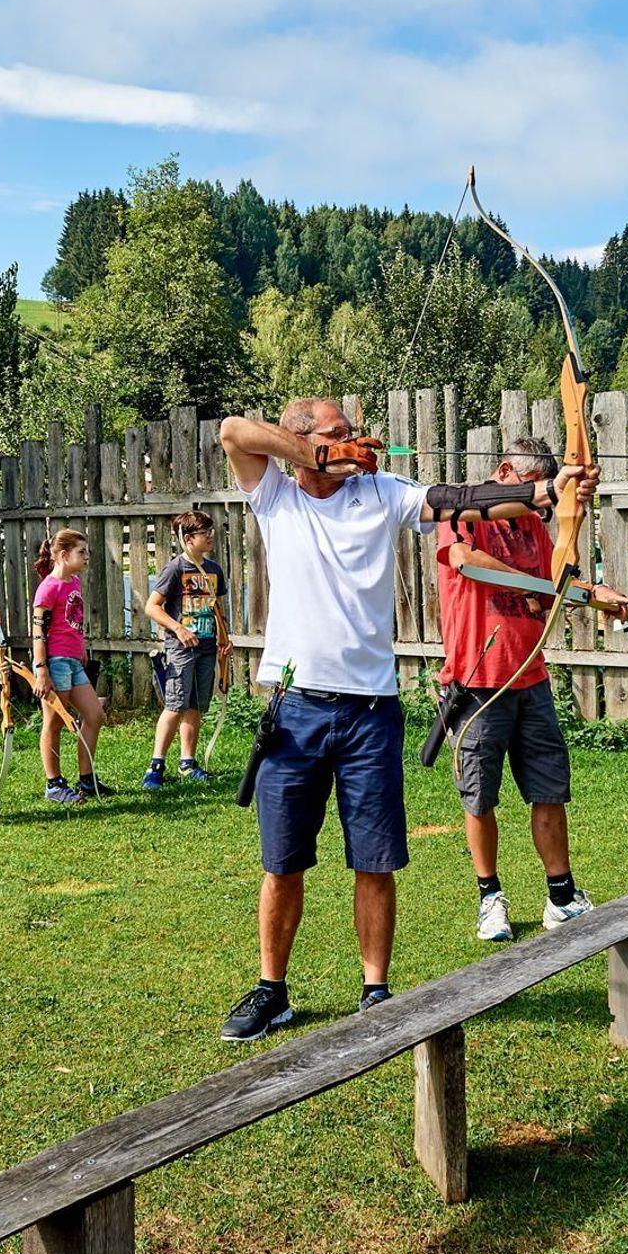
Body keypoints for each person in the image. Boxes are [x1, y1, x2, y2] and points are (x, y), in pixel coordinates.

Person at [216, 399, 592, 1041]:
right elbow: (233, 432)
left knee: (375, 858)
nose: (357, 441)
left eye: (353, 432)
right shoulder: (277, 494)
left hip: (370, 711)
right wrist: (320, 454)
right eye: (340, 433)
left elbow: (463, 502)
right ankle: (272, 990)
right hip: (295, 707)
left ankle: (376, 991)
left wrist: (545, 492)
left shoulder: (381, 491)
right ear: (303, 441)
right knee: (282, 861)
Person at [434, 438, 628, 943]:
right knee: (480, 797)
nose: (540, 498)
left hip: (531, 678)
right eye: (533, 486)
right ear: (504, 472)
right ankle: (490, 898)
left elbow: (557, 577)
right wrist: (535, 586)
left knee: (549, 790)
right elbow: (466, 560)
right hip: (478, 682)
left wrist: (595, 592)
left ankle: (561, 897)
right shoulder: (461, 510)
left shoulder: (532, 526)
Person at [143, 510, 233, 789]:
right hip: (181, 650)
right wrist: (179, 629)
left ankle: (187, 763)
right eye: (205, 533)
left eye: (211, 531)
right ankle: (156, 766)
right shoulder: (175, 569)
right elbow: (152, 607)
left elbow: (217, 609)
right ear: (188, 538)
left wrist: (224, 640)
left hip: (207, 648)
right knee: (175, 704)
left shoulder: (214, 570)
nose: (211, 537)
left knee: (196, 705)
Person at [31, 529, 107, 804]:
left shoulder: (74, 582)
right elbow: (38, 632)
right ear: (64, 555)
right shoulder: (48, 588)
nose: (87, 557)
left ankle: (86, 780)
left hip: (73, 661)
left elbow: (70, 621)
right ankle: (54, 784)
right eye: (81, 552)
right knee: (54, 723)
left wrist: (80, 647)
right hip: (55, 663)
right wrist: (42, 670)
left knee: (95, 715)